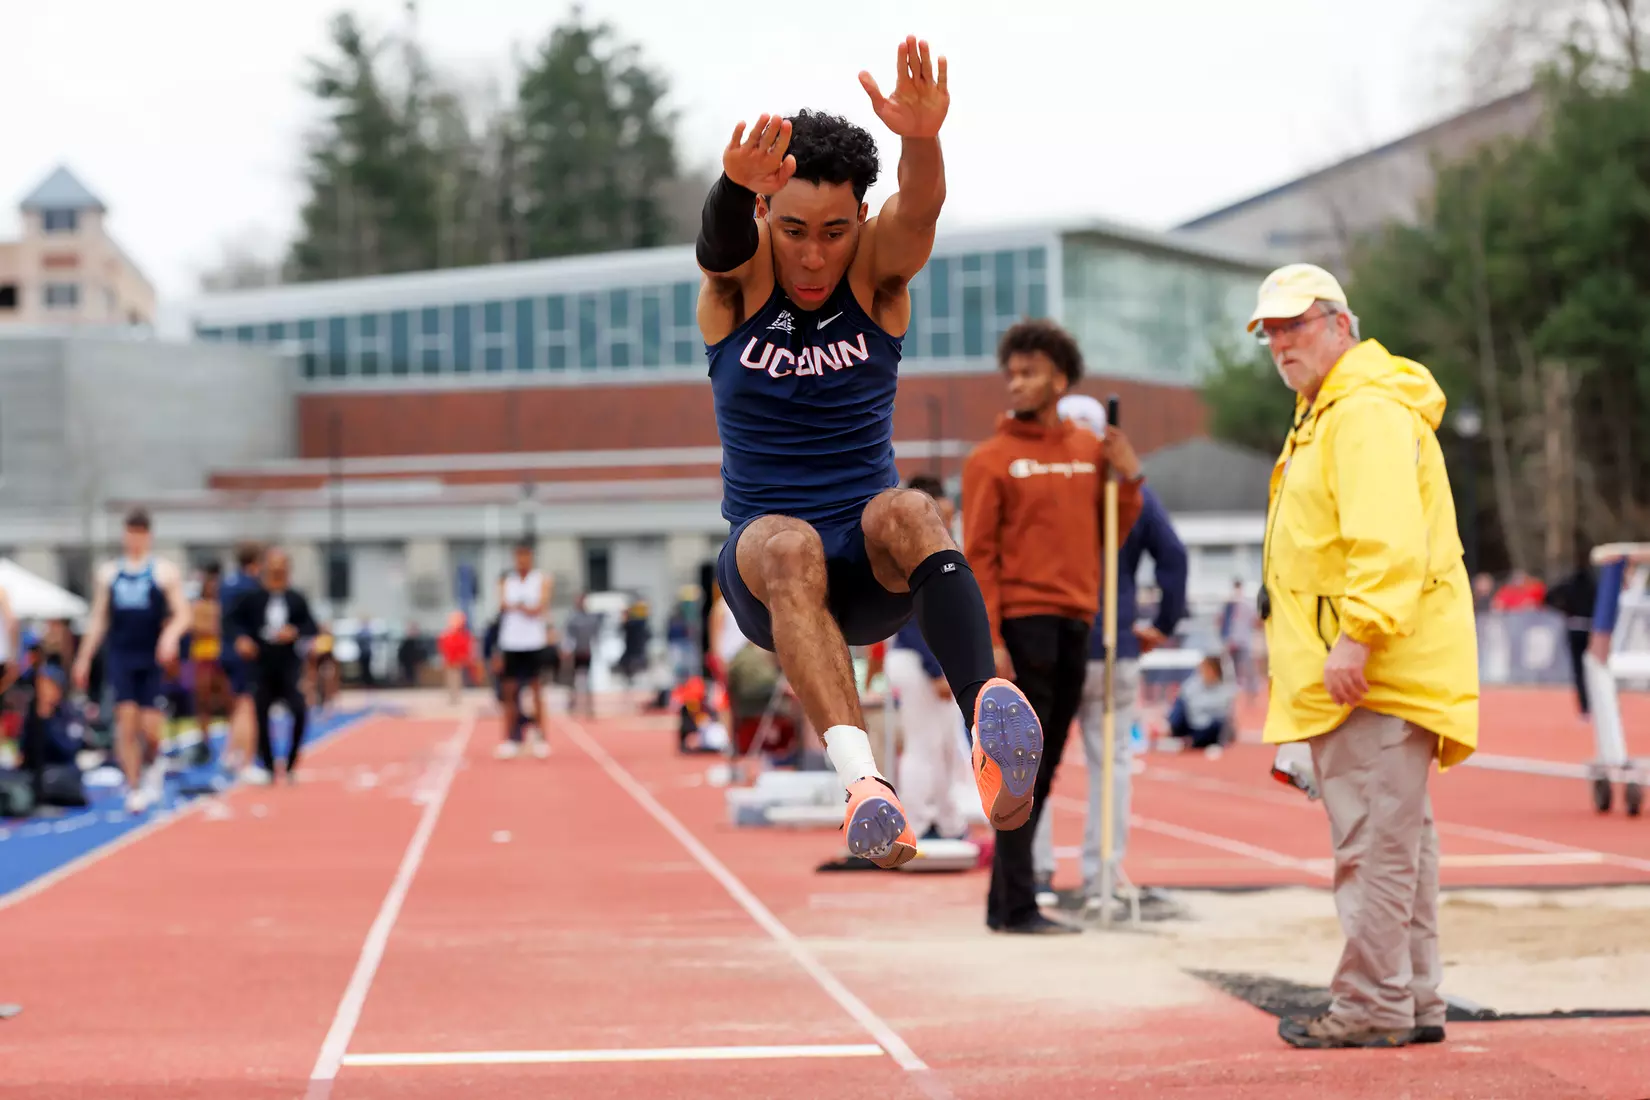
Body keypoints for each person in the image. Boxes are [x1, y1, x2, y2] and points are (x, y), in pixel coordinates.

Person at [696, 37, 1042, 869]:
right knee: (790, 543)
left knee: (915, 507)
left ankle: (985, 719)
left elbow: (917, 213)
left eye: (835, 232)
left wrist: (921, 140)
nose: (814, 257)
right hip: (768, 568)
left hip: (871, 560)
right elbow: (715, 245)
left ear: (860, 223)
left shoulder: (874, 280)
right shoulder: (737, 287)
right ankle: (864, 787)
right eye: (793, 231)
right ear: (764, 218)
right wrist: (732, 183)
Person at [1248, 263, 1478, 1049]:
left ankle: (1374, 1005)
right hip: (1376, 665)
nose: (1281, 343)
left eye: (1296, 324)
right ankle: (1412, 999)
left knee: (1373, 846)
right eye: (1270, 331)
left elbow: (1385, 540)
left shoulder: (1362, 411)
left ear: (1341, 324)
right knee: (1398, 843)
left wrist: (1358, 635)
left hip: (1373, 669)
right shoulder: (1331, 410)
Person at [963, 320, 1144, 933]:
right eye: (1011, 373)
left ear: (1059, 380)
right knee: (1021, 771)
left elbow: (1111, 535)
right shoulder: (990, 461)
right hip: (1022, 626)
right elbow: (978, 556)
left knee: (1045, 770)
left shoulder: (1089, 454)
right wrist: (989, 641)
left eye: (1030, 372)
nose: (1016, 383)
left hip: (1077, 623)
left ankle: (1010, 904)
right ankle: (1013, 905)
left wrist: (1131, 477)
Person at [1031, 395, 1187, 912]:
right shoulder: (1129, 492)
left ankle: (1037, 870)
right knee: (1111, 766)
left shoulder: (1049, 488)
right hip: (1108, 645)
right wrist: (1162, 625)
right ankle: (1103, 874)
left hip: (1058, 644)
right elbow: (1174, 557)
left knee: (1036, 763)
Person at [72, 508, 190, 814]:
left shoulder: (164, 572)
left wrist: (170, 637)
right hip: (121, 655)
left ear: (147, 536)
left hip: (151, 657)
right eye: (130, 533)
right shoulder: (109, 573)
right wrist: (84, 658)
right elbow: (98, 619)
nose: (134, 540)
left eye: (139, 534)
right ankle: (134, 787)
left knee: (150, 730)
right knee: (126, 723)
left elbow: (183, 614)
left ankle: (152, 767)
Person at [885, 475, 974, 842]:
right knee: (925, 747)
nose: (948, 524)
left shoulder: (933, 546)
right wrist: (937, 669)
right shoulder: (913, 551)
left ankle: (945, 821)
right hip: (920, 658)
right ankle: (919, 824)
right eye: (943, 515)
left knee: (944, 748)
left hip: (930, 657)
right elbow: (911, 618)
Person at [228, 547, 320, 783]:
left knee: (299, 710)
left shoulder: (296, 599)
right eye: (273, 565)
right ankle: (268, 765)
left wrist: (295, 632)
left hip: (288, 665)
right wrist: (242, 639)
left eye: (282, 566)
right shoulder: (252, 598)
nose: (277, 570)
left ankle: (289, 763)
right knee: (260, 714)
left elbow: (311, 625)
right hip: (261, 664)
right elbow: (232, 622)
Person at [496, 543, 551, 759]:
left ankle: (541, 737)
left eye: (525, 556)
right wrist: (523, 607)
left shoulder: (541, 580)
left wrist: (519, 606)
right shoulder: (507, 581)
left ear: (531, 557)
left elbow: (539, 608)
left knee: (536, 691)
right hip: (511, 642)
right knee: (510, 692)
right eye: (518, 557)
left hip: (534, 643)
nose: (522, 561)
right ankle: (511, 737)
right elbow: (502, 605)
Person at [219, 543, 264, 778]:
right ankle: (246, 763)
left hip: (226, 650)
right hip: (244, 651)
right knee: (249, 705)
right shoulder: (252, 587)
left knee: (239, 704)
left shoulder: (227, 584)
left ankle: (229, 753)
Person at [188, 563, 232, 767]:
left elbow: (223, 629)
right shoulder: (197, 606)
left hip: (220, 657)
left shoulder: (223, 605)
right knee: (202, 701)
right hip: (202, 657)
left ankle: (232, 743)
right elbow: (196, 627)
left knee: (228, 700)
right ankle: (204, 740)